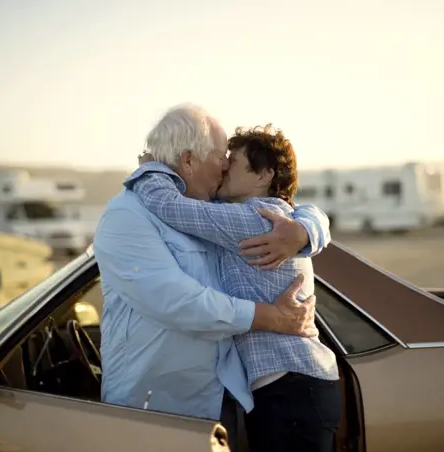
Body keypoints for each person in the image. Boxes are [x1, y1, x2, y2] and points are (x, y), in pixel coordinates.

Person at [92, 104, 332, 448]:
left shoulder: (216, 211)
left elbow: (291, 206)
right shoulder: (128, 215)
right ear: (189, 160)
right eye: (222, 157)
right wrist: (269, 316)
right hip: (157, 405)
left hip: (223, 402)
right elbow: (176, 300)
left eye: (231, 160)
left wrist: (307, 230)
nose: (224, 165)